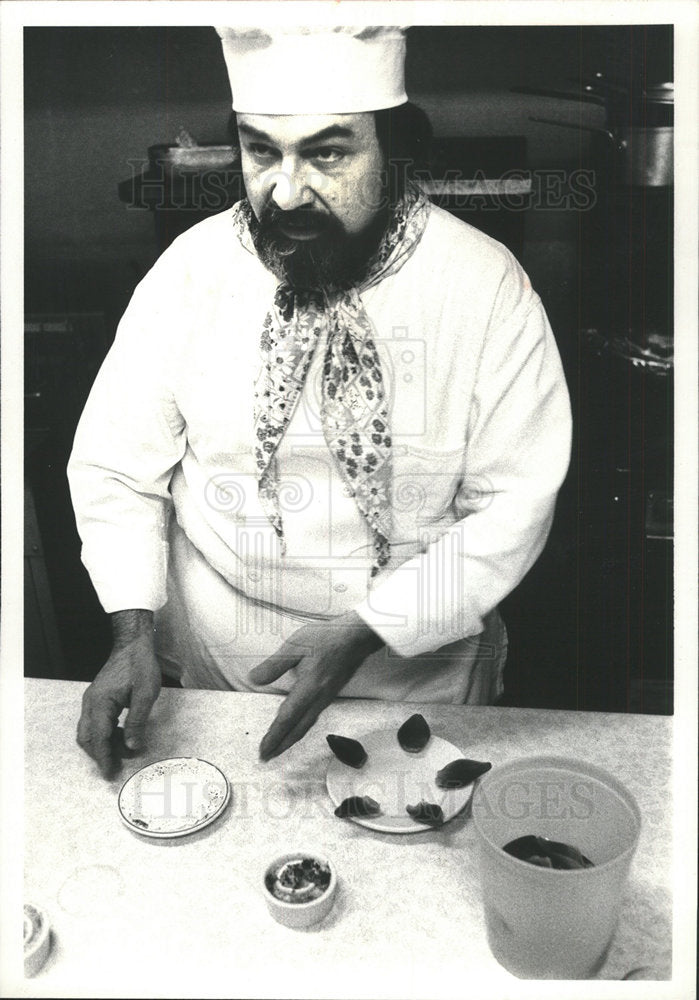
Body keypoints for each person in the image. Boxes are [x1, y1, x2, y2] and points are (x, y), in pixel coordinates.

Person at [68, 25, 572, 779]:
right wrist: (132, 635)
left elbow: (513, 506)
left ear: (396, 152)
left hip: (413, 674)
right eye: (261, 150)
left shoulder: (483, 286)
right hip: (225, 670)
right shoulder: (190, 271)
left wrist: (371, 627)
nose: (286, 189)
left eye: (329, 153)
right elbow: (116, 466)